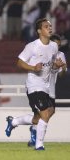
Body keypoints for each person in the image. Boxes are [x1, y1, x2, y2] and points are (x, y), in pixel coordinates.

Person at [5, 18, 65, 150]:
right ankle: (39, 145)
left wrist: (57, 65)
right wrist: (33, 68)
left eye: (50, 26)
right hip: (34, 86)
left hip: (46, 87)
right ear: (39, 31)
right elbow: (19, 62)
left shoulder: (54, 47)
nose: (49, 28)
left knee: (38, 118)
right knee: (45, 114)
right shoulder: (32, 46)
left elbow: (52, 64)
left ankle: (13, 121)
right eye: (46, 26)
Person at [27, 34, 67, 147]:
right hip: (40, 88)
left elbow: (61, 75)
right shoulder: (43, 53)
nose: (57, 47)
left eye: (59, 45)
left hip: (51, 89)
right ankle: (36, 140)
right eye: (55, 45)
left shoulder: (61, 55)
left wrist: (63, 68)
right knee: (43, 114)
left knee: (47, 113)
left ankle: (18, 123)